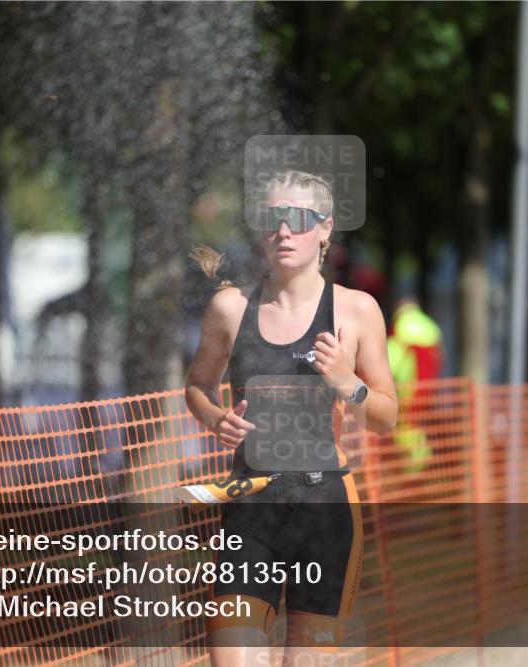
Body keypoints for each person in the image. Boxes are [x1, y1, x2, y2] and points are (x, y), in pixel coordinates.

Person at [184, 170, 398, 666]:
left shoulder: (356, 311)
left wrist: (347, 381)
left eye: (299, 219)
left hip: (325, 511)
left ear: (325, 228)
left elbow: (386, 418)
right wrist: (215, 418)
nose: (284, 231)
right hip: (251, 510)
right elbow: (197, 387)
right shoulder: (230, 308)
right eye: (273, 217)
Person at [386, 294, 443, 474]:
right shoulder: (430, 325)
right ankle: (422, 464)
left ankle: (412, 469)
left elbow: (392, 358)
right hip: (428, 386)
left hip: (407, 386)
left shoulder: (400, 326)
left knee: (406, 425)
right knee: (420, 423)